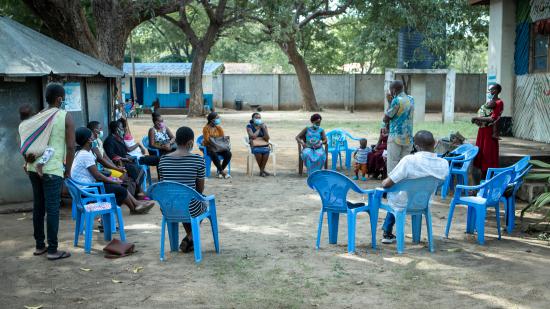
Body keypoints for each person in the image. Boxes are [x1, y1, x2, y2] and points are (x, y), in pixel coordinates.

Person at [25, 83, 75, 260]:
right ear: (59, 99)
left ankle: (40, 246)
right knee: (52, 209)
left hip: (32, 167)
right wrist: (68, 171)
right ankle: (53, 250)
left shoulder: (38, 116)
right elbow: (70, 147)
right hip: (52, 169)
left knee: (38, 207)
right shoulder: (65, 117)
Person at [380, 130, 449, 244]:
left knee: (393, 194)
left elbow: (387, 183)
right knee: (401, 193)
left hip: (403, 202)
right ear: (435, 143)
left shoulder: (409, 160)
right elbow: (440, 182)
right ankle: (415, 237)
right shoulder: (443, 163)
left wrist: (384, 184)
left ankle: (387, 232)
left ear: (416, 146)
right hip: (424, 202)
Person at [71, 127, 154, 214]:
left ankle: (135, 206)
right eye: (92, 136)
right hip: (88, 190)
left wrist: (112, 180)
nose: (94, 137)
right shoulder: (85, 155)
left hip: (87, 187)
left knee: (120, 185)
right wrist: (113, 181)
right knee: (120, 189)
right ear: (89, 139)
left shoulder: (82, 153)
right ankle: (131, 208)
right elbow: (97, 175)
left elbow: (96, 173)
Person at [158, 126, 207, 253]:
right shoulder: (197, 160)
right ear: (191, 143)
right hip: (189, 206)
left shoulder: (163, 160)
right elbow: (199, 190)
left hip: (168, 207)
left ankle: (190, 240)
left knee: (185, 200)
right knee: (201, 201)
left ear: (175, 141)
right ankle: (191, 237)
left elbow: (163, 186)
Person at [471, 83, 504, 180]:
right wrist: (478, 121)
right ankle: (482, 180)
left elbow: (493, 118)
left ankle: (488, 180)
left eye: (493, 89)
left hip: (489, 132)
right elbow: (484, 112)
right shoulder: (489, 102)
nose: (491, 91)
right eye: (489, 90)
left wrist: (477, 118)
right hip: (482, 130)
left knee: (488, 156)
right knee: (481, 154)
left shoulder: (499, 103)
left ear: (497, 91)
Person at [383, 80, 414, 173]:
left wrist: (389, 102)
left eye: (390, 90)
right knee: (404, 164)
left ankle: (392, 186)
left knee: (392, 164)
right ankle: (402, 186)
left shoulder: (396, 101)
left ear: (393, 90)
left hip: (396, 136)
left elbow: (386, 118)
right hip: (408, 137)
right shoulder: (411, 99)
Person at [19, 104, 54, 177]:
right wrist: (51, 108)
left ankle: (26, 164)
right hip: (36, 151)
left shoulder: (21, 125)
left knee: (28, 149)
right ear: (32, 114)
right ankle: (40, 164)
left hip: (24, 150)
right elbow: (42, 113)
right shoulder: (35, 122)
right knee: (51, 149)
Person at [202, 112, 232, 179]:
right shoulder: (206, 128)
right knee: (213, 154)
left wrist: (213, 139)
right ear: (212, 120)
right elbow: (207, 140)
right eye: (217, 118)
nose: (219, 119)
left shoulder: (219, 128)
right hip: (210, 147)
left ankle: (220, 171)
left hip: (219, 147)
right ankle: (222, 172)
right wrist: (215, 140)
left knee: (228, 154)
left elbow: (222, 139)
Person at [246, 112, 271, 176]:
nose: (258, 119)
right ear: (252, 119)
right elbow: (253, 136)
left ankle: (262, 171)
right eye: (256, 118)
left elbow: (267, 138)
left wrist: (264, 128)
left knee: (266, 152)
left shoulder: (264, 126)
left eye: (259, 118)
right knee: (258, 152)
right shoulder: (249, 126)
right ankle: (262, 171)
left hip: (263, 144)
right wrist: (259, 128)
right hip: (254, 145)